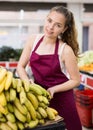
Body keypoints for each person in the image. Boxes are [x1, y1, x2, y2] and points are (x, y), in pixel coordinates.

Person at [17, 6, 82, 130]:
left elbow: (76, 80)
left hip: (62, 100)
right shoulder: (33, 40)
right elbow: (20, 66)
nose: (51, 27)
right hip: (39, 99)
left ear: (64, 29)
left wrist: (54, 89)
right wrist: (26, 80)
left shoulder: (65, 50)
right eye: (49, 20)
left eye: (58, 25)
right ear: (46, 19)